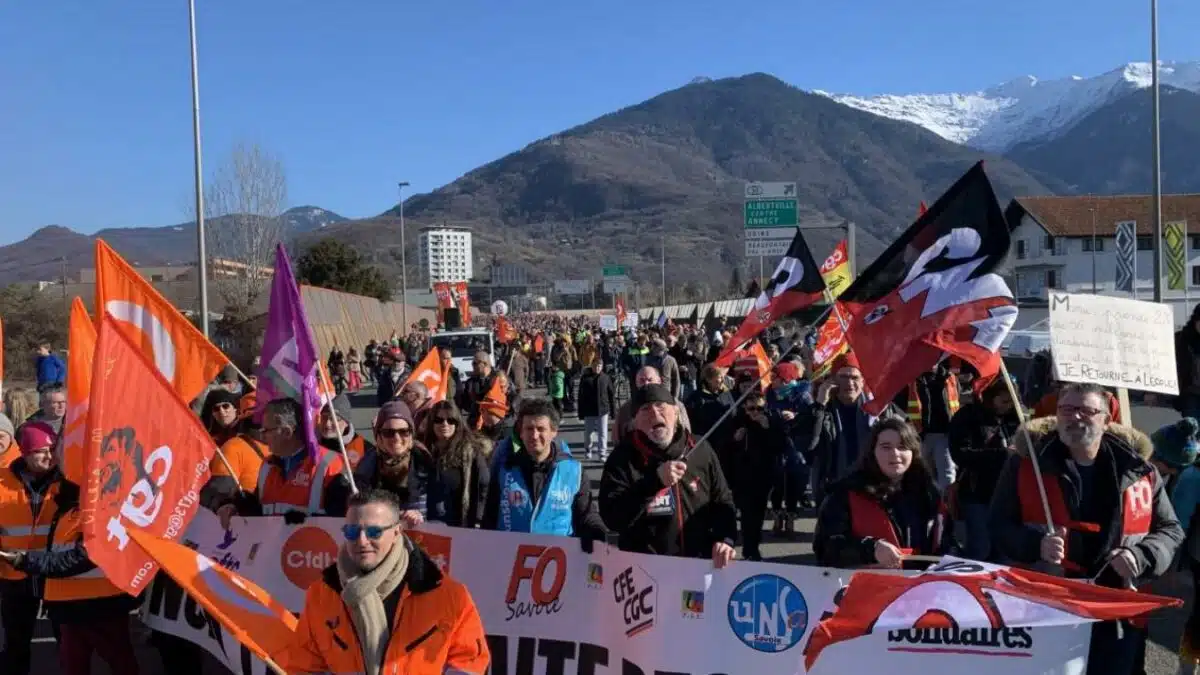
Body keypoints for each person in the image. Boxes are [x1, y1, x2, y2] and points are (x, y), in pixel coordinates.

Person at [989, 382, 1185, 675]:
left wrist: (1141, 556)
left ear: (1106, 420)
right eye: (1066, 409)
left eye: (1086, 410)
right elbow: (997, 524)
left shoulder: (1139, 470)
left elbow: (1170, 530)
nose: (1074, 417)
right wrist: (1034, 544)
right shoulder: (1025, 464)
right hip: (1049, 607)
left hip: (1117, 609)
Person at [280, 488, 490, 675]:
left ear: (397, 531)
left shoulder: (448, 594)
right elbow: (304, 665)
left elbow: (469, 661)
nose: (362, 541)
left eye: (374, 532)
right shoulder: (322, 593)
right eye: (352, 532)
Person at [2, 481, 141, 675]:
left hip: (102, 608)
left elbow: (79, 558)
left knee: (122, 665)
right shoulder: (65, 508)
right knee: (75, 667)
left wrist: (23, 561)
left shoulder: (105, 510)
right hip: (69, 609)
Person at [599, 383, 738, 567]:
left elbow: (723, 500)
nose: (655, 415)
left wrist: (725, 538)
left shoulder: (700, 448)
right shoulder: (623, 457)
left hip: (699, 564)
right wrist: (654, 483)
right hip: (645, 570)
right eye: (645, 410)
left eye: (661, 407)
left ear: (676, 413)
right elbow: (612, 517)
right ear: (635, 421)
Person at [813, 418, 955, 568]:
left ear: (913, 452)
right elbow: (825, 549)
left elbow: (948, 544)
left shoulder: (931, 495)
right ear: (872, 451)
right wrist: (870, 549)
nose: (895, 454)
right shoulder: (845, 493)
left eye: (902, 447)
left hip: (923, 586)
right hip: (868, 586)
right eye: (886, 447)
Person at [481, 399, 606, 543]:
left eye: (541, 429)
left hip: (558, 556)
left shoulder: (573, 471)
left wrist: (596, 530)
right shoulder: (505, 468)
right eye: (529, 429)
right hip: (512, 556)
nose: (534, 436)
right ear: (521, 433)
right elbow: (490, 516)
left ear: (554, 432)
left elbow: (586, 512)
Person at [215, 398, 351, 527]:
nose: (262, 436)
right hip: (272, 548)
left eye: (266, 430)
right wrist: (237, 507)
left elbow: (344, 520)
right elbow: (262, 513)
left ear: (286, 432)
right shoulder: (267, 465)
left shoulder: (331, 463)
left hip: (311, 548)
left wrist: (306, 523)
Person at [0, 422, 62, 675]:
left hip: (57, 575)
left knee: (67, 645)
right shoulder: (2, 482)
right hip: (14, 576)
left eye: (53, 448)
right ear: (24, 453)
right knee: (16, 645)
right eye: (40, 451)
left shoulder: (68, 480)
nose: (49, 455)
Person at [809, 353, 902, 505]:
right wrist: (819, 405)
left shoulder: (879, 408)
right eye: (843, 377)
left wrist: (886, 418)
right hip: (832, 487)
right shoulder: (821, 409)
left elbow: (904, 439)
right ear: (833, 380)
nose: (850, 383)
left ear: (863, 380)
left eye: (854, 378)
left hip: (871, 487)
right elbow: (808, 445)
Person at [947, 379, 1019, 561]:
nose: (1008, 406)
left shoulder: (1014, 418)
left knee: (1004, 551)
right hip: (976, 494)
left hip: (1006, 495)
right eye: (1004, 401)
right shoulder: (968, 417)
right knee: (980, 548)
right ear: (990, 397)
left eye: (1011, 402)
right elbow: (960, 454)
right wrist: (1001, 454)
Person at [340, 401, 434, 527]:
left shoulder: (424, 460)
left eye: (403, 431)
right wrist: (394, 515)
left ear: (411, 434)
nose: (396, 438)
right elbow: (359, 509)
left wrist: (419, 515)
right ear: (379, 436)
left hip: (419, 535)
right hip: (378, 533)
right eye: (389, 432)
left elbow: (437, 509)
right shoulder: (367, 465)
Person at [725, 390, 790, 560]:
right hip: (741, 477)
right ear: (745, 409)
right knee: (747, 515)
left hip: (763, 477)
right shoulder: (737, 422)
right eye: (751, 409)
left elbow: (781, 446)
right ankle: (748, 548)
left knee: (758, 515)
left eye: (759, 409)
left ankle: (752, 548)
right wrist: (734, 439)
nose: (755, 413)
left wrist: (768, 429)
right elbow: (724, 449)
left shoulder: (771, 421)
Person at [421, 401, 491, 528]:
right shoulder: (424, 451)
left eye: (451, 420)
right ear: (432, 422)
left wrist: (478, 519)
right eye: (438, 420)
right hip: (429, 524)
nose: (445, 424)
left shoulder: (470, 452)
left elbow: (483, 486)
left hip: (460, 525)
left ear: (457, 423)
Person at [614, 366, 691, 445]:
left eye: (650, 380)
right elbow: (618, 438)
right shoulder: (626, 408)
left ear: (659, 381)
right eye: (642, 380)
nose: (646, 383)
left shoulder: (675, 404)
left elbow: (686, 432)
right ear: (636, 383)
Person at [319, 393, 374, 469]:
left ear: (346, 423)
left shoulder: (366, 450)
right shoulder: (313, 443)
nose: (327, 423)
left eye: (335, 419)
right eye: (324, 417)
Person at [577, 359, 616, 461]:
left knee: (603, 433)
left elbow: (611, 394)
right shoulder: (585, 378)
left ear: (602, 367)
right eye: (595, 366)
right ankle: (588, 449)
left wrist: (613, 411)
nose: (597, 368)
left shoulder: (605, 378)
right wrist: (580, 412)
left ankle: (602, 452)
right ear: (592, 366)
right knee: (588, 432)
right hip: (589, 410)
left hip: (603, 409)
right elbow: (581, 396)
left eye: (599, 366)